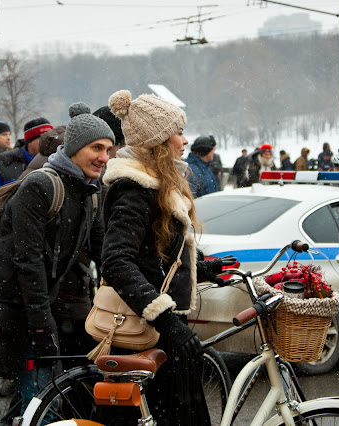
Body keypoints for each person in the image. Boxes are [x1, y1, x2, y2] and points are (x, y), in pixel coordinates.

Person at [0, 102, 114, 425]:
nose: (104, 157)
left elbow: (103, 253)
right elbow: (28, 262)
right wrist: (44, 324)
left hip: (34, 311)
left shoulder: (91, 192)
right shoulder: (40, 186)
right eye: (96, 148)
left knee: (41, 407)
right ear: (74, 148)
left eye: (108, 149)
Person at [102, 89, 235, 425]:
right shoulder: (134, 189)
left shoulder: (156, 185)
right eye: (178, 132)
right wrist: (166, 320)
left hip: (165, 330)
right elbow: (117, 262)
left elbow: (155, 256)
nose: (185, 140)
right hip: (149, 332)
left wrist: (201, 268)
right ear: (158, 141)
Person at [0, 118, 52, 207]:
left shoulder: (57, 164)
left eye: (51, 138)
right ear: (29, 141)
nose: (48, 142)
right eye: (42, 138)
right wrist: (5, 213)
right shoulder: (4, 165)